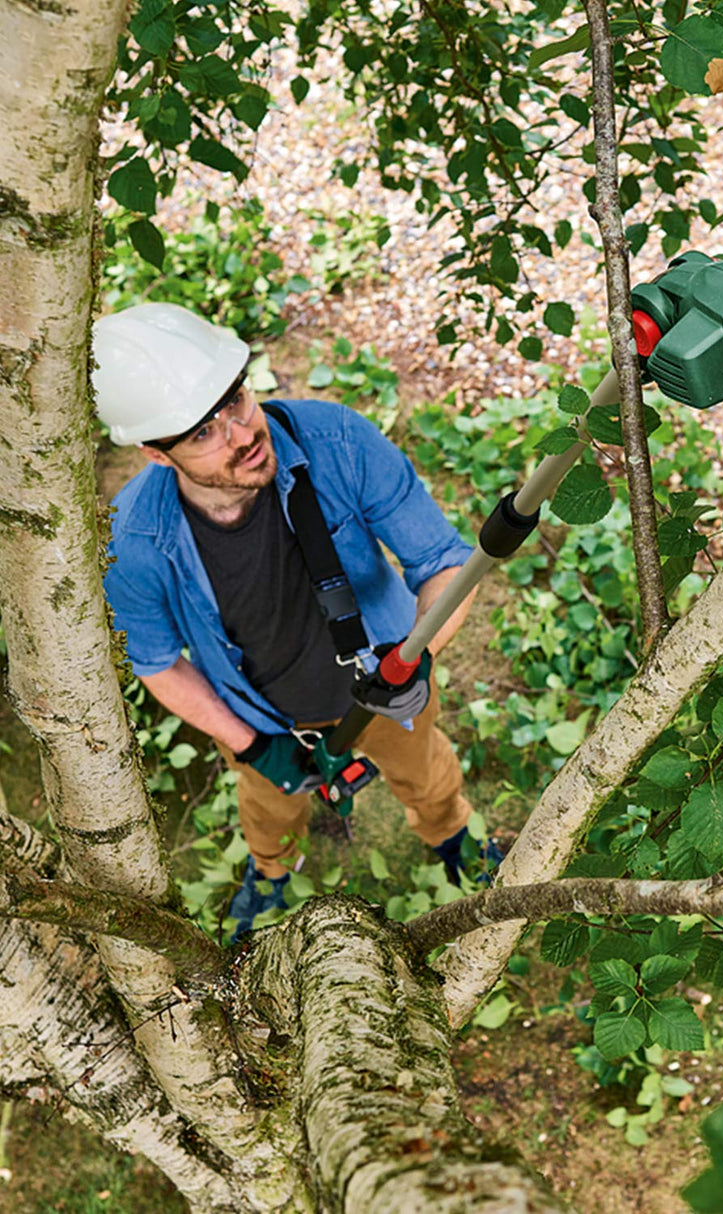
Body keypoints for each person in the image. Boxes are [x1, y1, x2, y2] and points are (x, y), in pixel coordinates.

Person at [94, 302, 498, 940]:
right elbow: (157, 662)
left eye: (235, 400)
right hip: (262, 718)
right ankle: (274, 870)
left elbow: (444, 562)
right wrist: (252, 745)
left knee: (426, 774)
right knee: (267, 809)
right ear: (157, 454)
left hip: (389, 685)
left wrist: (417, 656)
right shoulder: (133, 539)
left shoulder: (337, 440)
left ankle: (452, 837)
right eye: (203, 432)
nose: (241, 432)